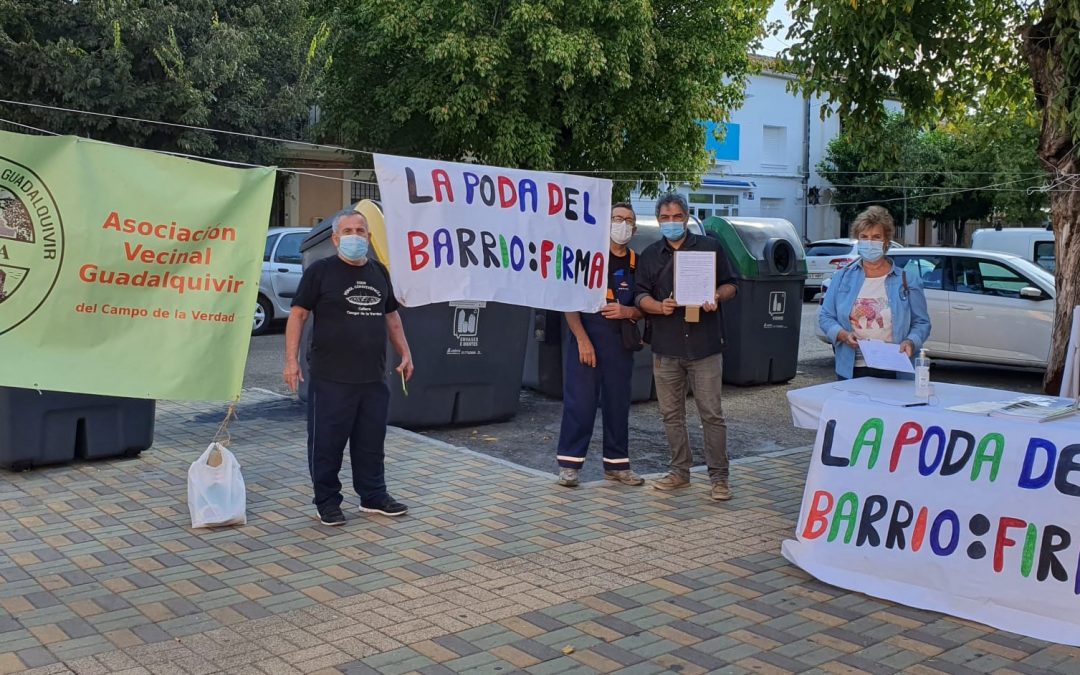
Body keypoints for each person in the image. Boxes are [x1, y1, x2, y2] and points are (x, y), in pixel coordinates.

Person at [283, 211, 414, 526]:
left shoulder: (379, 272)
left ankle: (373, 496)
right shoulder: (321, 272)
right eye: (348, 231)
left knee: (371, 442)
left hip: (373, 377)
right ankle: (326, 502)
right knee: (326, 444)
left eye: (360, 230)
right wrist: (290, 360)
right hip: (331, 378)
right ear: (335, 238)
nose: (355, 236)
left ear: (369, 238)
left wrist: (406, 352)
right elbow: (298, 314)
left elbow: (392, 317)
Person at [634, 193, 737, 501]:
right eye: (664, 218)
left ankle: (719, 477)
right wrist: (657, 306)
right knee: (670, 414)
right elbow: (639, 296)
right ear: (657, 220)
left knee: (711, 414)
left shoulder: (710, 247)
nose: (671, 223)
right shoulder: (650, 254)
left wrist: (716, 296)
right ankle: (680, 472)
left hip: (705, 345)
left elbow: (732, 284)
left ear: (687, 217)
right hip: (666, 346)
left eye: (676, 217)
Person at [556, 203, 646, 488]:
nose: (622, 225)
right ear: (606, 223)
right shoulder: (589, 259)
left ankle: (617, 466)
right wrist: (582, 339)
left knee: (617, 405)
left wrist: (628, 312)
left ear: (634, 229)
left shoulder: (638, 263)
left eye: (628, 221)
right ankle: (569, 466)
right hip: (587, 340)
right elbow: (569, 302)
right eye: (617, 219)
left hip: (620, 343)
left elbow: (645, 305)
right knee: (579, 404)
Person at [819, 205, 931, 380]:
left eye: (876, 237)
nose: (869, 242)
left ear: (886, 241)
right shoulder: (842, 278)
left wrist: (911, 341)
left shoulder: (907, 280)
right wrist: (843, 335)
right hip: (852, 368)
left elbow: (922, 323)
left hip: (895, 367)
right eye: (864, 237)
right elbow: (825, 316)